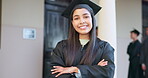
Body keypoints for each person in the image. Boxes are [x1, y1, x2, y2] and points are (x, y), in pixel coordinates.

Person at [50, 0, 115, 78]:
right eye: (76, 18)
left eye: (86, 16)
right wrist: (94, 70)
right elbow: (55, 74)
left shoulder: (104, 47)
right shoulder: (62, 47)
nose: (82, 21)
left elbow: (107, 73)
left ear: (92, 19)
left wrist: (75, 69)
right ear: (72, 22)